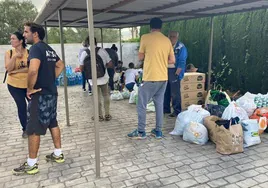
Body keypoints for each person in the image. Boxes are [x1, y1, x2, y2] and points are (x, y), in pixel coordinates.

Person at [12, 22, 65, 175]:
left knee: (33, 128)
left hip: (40, 94)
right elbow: (60, 65)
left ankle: (32, 164)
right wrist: (50, 79)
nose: (24, 34)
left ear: (35, 34)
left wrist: (29, 88)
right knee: (52, 122)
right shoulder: (48, 48)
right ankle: (58, 154)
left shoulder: (35, 48)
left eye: (26, 32)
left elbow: (33, 70)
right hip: (51, 92)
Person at [127, 18, 175, 139]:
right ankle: (158, 131)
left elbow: (140, 57)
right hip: (163, 78)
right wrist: (161, 60)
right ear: (161, 27)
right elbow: (172, 61)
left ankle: (141, 131)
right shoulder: (167, 40)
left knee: (141, 104)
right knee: (159, 105)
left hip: (150, 77)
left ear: (150, 27)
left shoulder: (145, 37)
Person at [80, 37, 112, 121]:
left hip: (92, 79)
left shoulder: (85, 53)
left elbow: (81, 67)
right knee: (105, 95)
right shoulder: (102, 51)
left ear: (87, 43)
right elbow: (110, 63)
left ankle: (99, 116)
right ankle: (107, 114)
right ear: (96, 42)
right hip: (103, 77)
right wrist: (104, 66)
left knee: (96, 97)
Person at [4, 31, 29, 138]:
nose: (11, 41)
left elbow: (31, 68)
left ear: (21, 40)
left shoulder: (29, 52)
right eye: (11, 39)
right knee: (22, 106)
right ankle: (25, 129)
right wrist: (14, 57)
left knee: (33, 106)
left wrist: (16, 71)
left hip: (29, 84)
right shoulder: (9, 53)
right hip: (14, 85)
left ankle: (35, 126)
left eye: (13, 38)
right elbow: (8, 68)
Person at [164, 31, 188, 117]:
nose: (171, 38)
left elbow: (182, 60)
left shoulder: (181, 47)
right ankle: (165, 109)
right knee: (166, 91)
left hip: (174, 71)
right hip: (165, 70)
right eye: (170, 36)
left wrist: (177, 73)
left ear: (177, 37)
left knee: (175, 93)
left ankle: (177, 110)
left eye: (173, 37)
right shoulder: (166, 46)